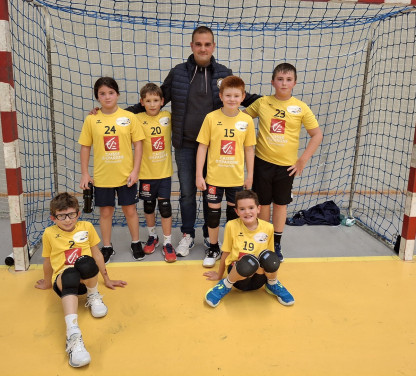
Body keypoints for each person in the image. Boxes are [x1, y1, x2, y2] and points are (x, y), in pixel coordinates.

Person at [126, 26, 260, 257]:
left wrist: (273, 102)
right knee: (187, 193)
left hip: (216, 149)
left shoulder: (224, 73)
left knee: (212, 194)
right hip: (187, 145)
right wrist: (120, 113)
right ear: (192, 46)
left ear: (213, 46)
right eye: (198, 44)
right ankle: (187, 235)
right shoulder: (178, 73)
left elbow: (242, 96)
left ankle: (210, 236)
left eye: (207, 44)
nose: (203, 48)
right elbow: (158, 98)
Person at [35, 192, 127, 368]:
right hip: (64, 281)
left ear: (78, 214)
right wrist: (47, 282)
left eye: (71, 214)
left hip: (86, 281)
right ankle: (73, 335)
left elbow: (97, 254)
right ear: (53, 218)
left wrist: (107, 279)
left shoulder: (86, 227)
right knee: (70, 273)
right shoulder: (49, 233)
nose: (67, 220)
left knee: (86, 262)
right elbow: (47, 261)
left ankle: (93, 295)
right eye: (61, 216)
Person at [245, 63, 323, 262]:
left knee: (280, 205)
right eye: (280, 79)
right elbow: (242, 119)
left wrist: (302, 161)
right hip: (262, 163)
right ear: (273, 82)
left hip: (286, 167)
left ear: (294, 83)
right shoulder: (262, 103)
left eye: (288, 80)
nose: (284, 83)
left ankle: (276, 243)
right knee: (263, 204)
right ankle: (263, 241)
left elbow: (317, 135)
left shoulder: (301, 107)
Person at [79, 77, 145, 263]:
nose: (107, 97)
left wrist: (135, 171)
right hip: (103, 177)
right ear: (97, 97)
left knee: (130, 210)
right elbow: (85, 146)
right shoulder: (92, 119)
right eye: (102, 94)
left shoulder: (129, 117)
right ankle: (107, 246)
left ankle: (136, 243)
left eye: (111, 92)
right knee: (106, 213)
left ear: (117, 94)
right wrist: (85, 173)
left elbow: (138, 145)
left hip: (126, 175)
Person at [196, 75, 256, 268]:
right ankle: (213, 248)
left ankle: (231, 250)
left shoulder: (246, 120)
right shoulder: (211, 118)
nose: (232, 99)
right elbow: (202, 147)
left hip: (236, 178)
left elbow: (249, 149)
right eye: (228, 95)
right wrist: (199, 175)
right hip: (214, 177)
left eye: (236, 96)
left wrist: (250, 175)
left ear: (243, 97)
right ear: (221, 96)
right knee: (213, 215)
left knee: (233, 216)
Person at [203, 190, 294, 307]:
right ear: (237, 211)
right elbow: (226, 253)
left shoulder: (268, 227)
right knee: (248, 261)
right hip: (238, 277)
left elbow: (271, 255)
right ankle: (225, 285)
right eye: (242, 209)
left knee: (269, 257)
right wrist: (219, 275)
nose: (247, 212)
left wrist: (270, 273)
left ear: (258, 209)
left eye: (251, 208)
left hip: (259, 279)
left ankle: (273, 283)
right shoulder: (231, 226)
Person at [135, 82, 176, 262]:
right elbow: (116, 116)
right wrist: (97, 111)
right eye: (148, 101)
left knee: (165, 208)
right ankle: (153, 236)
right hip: (145, 173)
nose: (152, 104)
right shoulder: (136, 118)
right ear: (142, 102)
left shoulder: (168, 116)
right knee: (149, 207)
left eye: (156, 100)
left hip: (164, 173)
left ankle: (168, 242)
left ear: (162, 101)